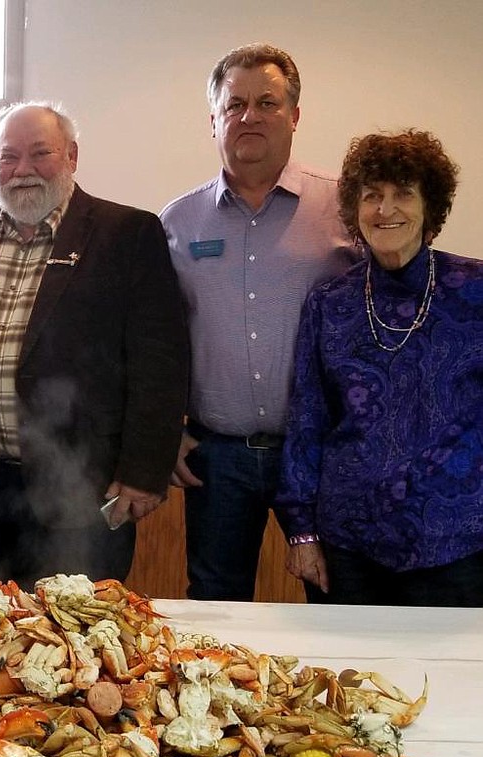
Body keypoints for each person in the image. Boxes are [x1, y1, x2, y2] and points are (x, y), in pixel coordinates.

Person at [0, 102, 188, 590]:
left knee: (68, 645)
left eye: (40, 153)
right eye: (8, 157)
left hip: (78, 493)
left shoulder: (126, 235)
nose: (23, 170)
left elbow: (161, 364)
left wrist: (144, 472)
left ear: (72, 156)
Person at [160, 42, 358, 601]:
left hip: (324, 451)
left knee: (335, 599)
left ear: (295, 116)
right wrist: (163, 434)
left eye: (267, 103)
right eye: (234, 104)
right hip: (216, 456)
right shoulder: (178, 221)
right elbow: (157, 340)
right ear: (214, 119)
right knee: (217, 605)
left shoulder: (346, 207)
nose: (249, 117)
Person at [277, 130, 483, 606]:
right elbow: (308, 421)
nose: (386, 210)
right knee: (348, 676)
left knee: (452, 678)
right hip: (349, 546)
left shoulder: (474, 291)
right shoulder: (330, 303)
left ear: (430, 206)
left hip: (456, 545)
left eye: (403, 194)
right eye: (372, 196)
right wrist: (301, 533)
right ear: (355, 210)